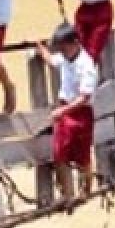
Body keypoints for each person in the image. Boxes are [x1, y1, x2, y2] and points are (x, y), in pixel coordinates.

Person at [35, 22, 98, 202]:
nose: (61, 51)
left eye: (64, 47)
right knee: (59, 154)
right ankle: (67, 195)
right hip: (65, 113)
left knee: (83, 156)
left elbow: (85, 97)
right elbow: (52, 60)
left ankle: (86, 190)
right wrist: (40, 47)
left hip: (80, 113)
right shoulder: (65, 57)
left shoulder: (86, 65)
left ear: (75, 43)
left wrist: (62, 111)